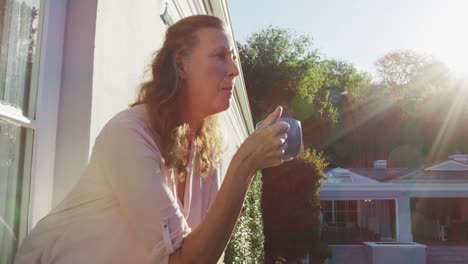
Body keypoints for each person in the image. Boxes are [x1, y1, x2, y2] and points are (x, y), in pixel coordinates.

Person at [14, 15, 290, 264]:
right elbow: (182, 260)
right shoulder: (129, 133)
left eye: (233, 57)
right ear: (181, 65)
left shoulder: (206, 149)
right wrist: (244, 165)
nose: (234, 69)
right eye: (220, 55)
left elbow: (203, 249)